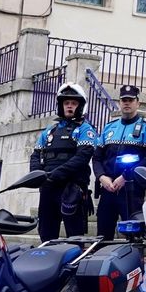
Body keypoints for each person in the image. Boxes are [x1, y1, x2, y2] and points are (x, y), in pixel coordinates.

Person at [30, 82, 100, 241]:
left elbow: (82, 158)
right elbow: (35, 155)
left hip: (71, 189)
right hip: (48, 188)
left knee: (74, 237)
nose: (69, 106)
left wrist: (56, 174)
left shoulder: (85, 130)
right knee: (46, 234)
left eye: (73, 103)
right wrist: (37, 175)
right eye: (66, 103)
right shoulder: (49, 131)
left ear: (80, 106)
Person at [92, 84, 146, 241]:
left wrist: (124, 176)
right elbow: (97, 158)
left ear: (138, 103)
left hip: (131, 190)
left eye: (130, 100)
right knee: (103, 235)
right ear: (120, 102)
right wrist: (102, 177)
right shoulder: (109, 128)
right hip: (108, 189)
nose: (127, 103)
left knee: (133, 236)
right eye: (124, 100)